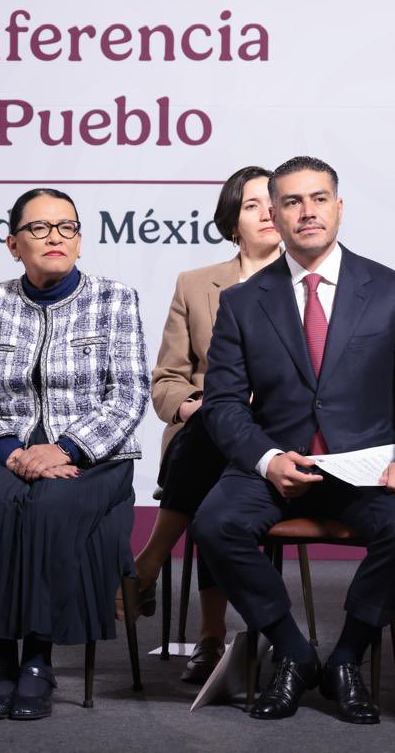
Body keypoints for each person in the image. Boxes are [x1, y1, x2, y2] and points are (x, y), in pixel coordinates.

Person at [190, 155, 395, 724]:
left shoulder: (393, 290)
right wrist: (265, 459)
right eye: (291, 202)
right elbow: (225, 404)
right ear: (274, 217)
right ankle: (293, 650)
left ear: (338, 207)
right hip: (279, 464)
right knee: (214, 524)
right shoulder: (241, 302)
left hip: (367, 467)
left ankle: (348, 657)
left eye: (318, 199)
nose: (307, 212)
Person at [0, 188, 149, 721]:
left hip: (94, 459)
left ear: (80, 241)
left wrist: (63, 448)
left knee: (49, 507)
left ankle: (36, 658)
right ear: (14, 244)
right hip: (9, 455)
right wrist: (14, 453)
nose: (54, 237)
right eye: (38, 229)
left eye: (66, 227)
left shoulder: (115, 299)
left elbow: (128, 395)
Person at [117, 164, 282, 684]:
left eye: (273, 202)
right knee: (218, 436)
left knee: (224, 437)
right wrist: (201, 407)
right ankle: (210, 636)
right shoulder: (195, 286)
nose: (267, 213)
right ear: (233, 221)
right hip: (206, 438)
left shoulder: (309, 284)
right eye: (252, 205)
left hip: (281, 436)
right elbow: (166, 381)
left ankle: (150, 561)